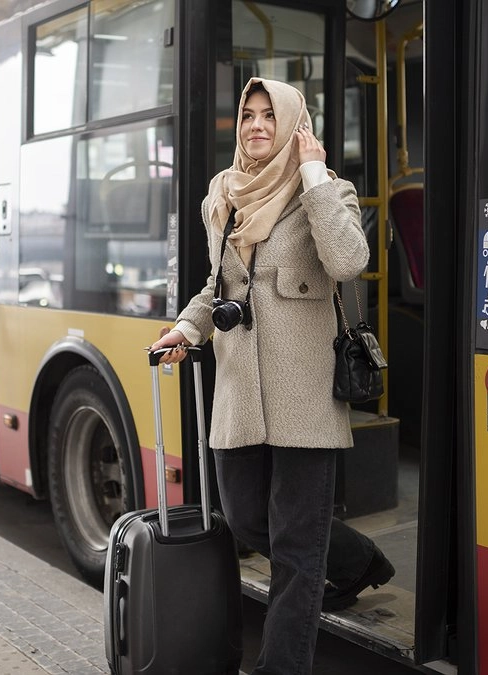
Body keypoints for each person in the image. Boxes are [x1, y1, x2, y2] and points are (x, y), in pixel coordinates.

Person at [149, 77, 394, 675]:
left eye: (269, 116)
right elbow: (216, 287)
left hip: (304, 398)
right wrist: (187, 328)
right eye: (247, 116)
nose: (257, 126)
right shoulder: (223, 195)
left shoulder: (329, 190)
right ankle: (359, 562)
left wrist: (312, 177)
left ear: (293, 124)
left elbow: (348, 262)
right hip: (238, 395)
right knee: (249, 519)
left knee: (293, 547)